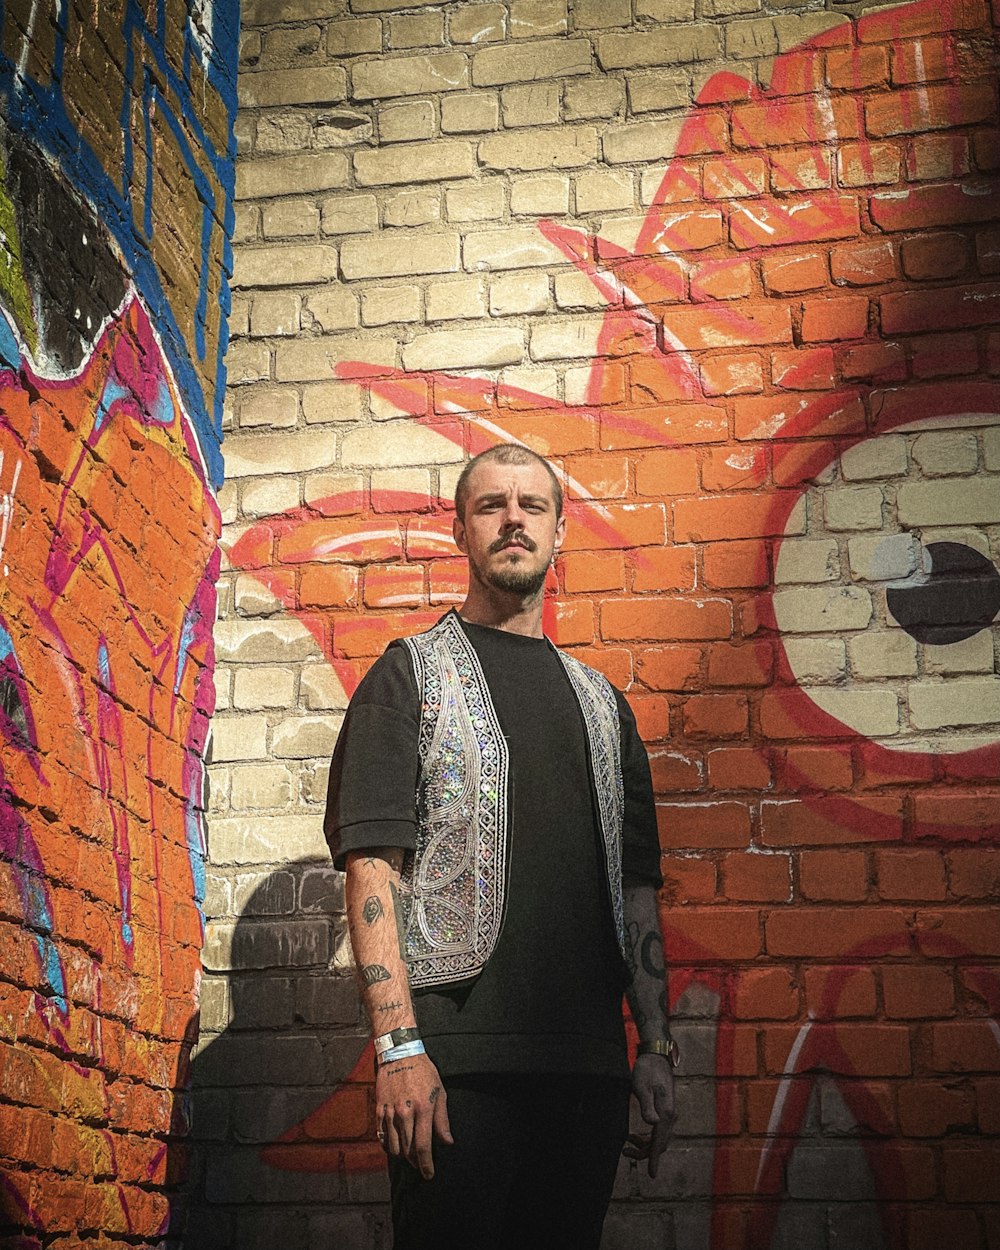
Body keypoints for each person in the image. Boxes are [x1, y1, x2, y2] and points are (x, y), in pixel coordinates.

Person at [324, 444, 676, 1250]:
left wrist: (653, 1046)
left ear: (558, 534)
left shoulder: (602, 705)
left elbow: (637, 892)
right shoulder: (407, 675)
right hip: (454, 1072)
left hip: (590, 1072)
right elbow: (372, 867)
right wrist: (399, 1048)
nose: (513, 519)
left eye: (533, 506)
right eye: (491, 505)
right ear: (460, 529)